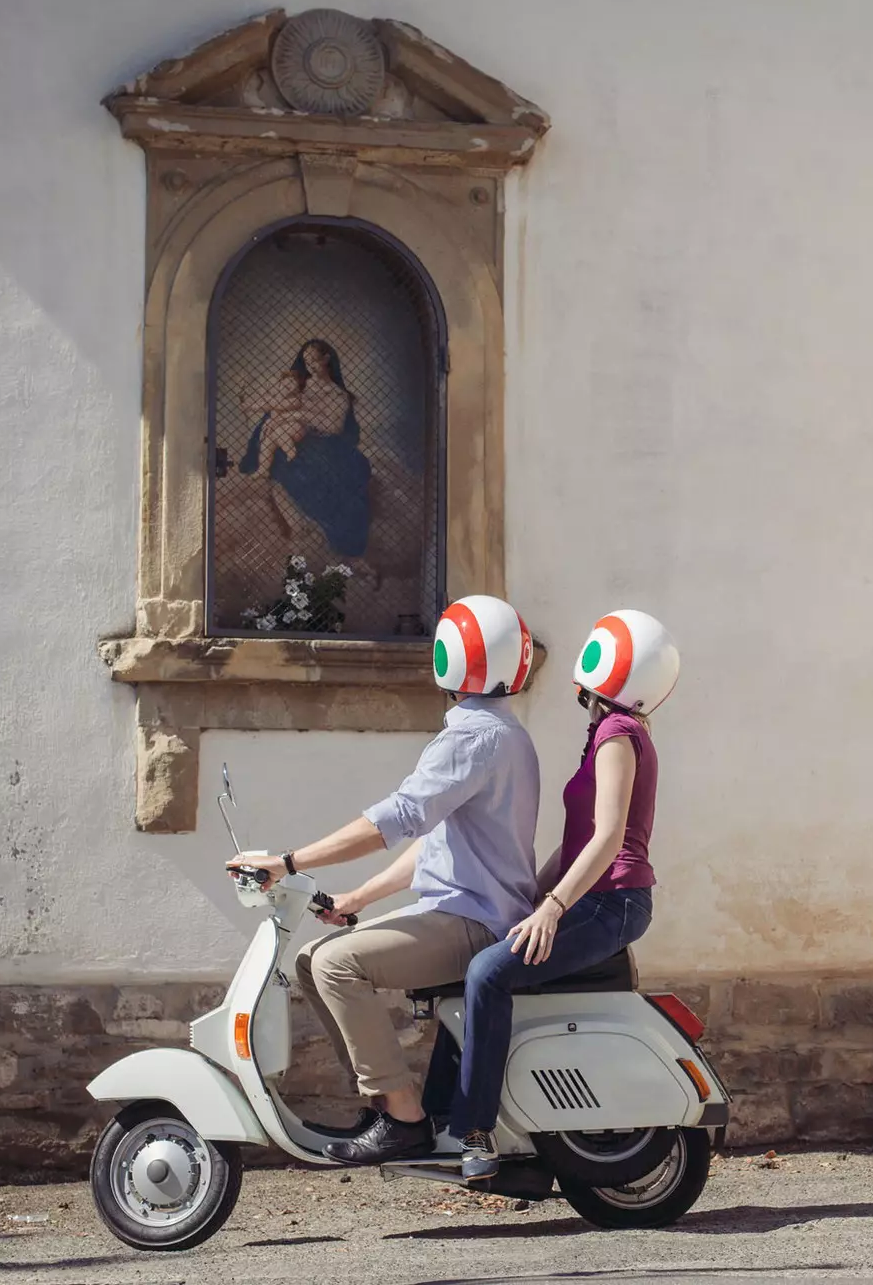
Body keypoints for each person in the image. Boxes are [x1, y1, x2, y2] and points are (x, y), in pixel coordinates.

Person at [227, 594, 539, 1164]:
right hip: (466, 911)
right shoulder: (497, 731)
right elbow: (437, 845)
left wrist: (290, 862)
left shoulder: (472, 736)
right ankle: (388, 1106)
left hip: (476, 922)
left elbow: (395, 820)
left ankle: (403, 1117)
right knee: (312, 959)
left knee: (334, 963)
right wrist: (356, 897)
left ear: (447, 659)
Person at [432, 609, 682, 1183]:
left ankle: (476, 1131)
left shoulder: (618, 734)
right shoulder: (612, 731)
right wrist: (530, 893)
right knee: (478, 969)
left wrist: (551, 907)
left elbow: (608, 839)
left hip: (610, 902)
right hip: (595, 896)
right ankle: (441, 1115)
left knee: (489, 973)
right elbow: (575, 847)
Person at [239, 338, 372, 557]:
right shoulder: (300, 385)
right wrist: (272, 420)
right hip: (293, 437)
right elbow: (280, 404)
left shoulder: (337, 395)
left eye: (314, 360)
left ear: (327, 359)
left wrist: (302, 415)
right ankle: (295, 523)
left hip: (323, 442)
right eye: (306, 361)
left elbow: (334, 426)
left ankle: (321, 531)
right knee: (283, 455)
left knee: (328, 475)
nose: (309, 365)